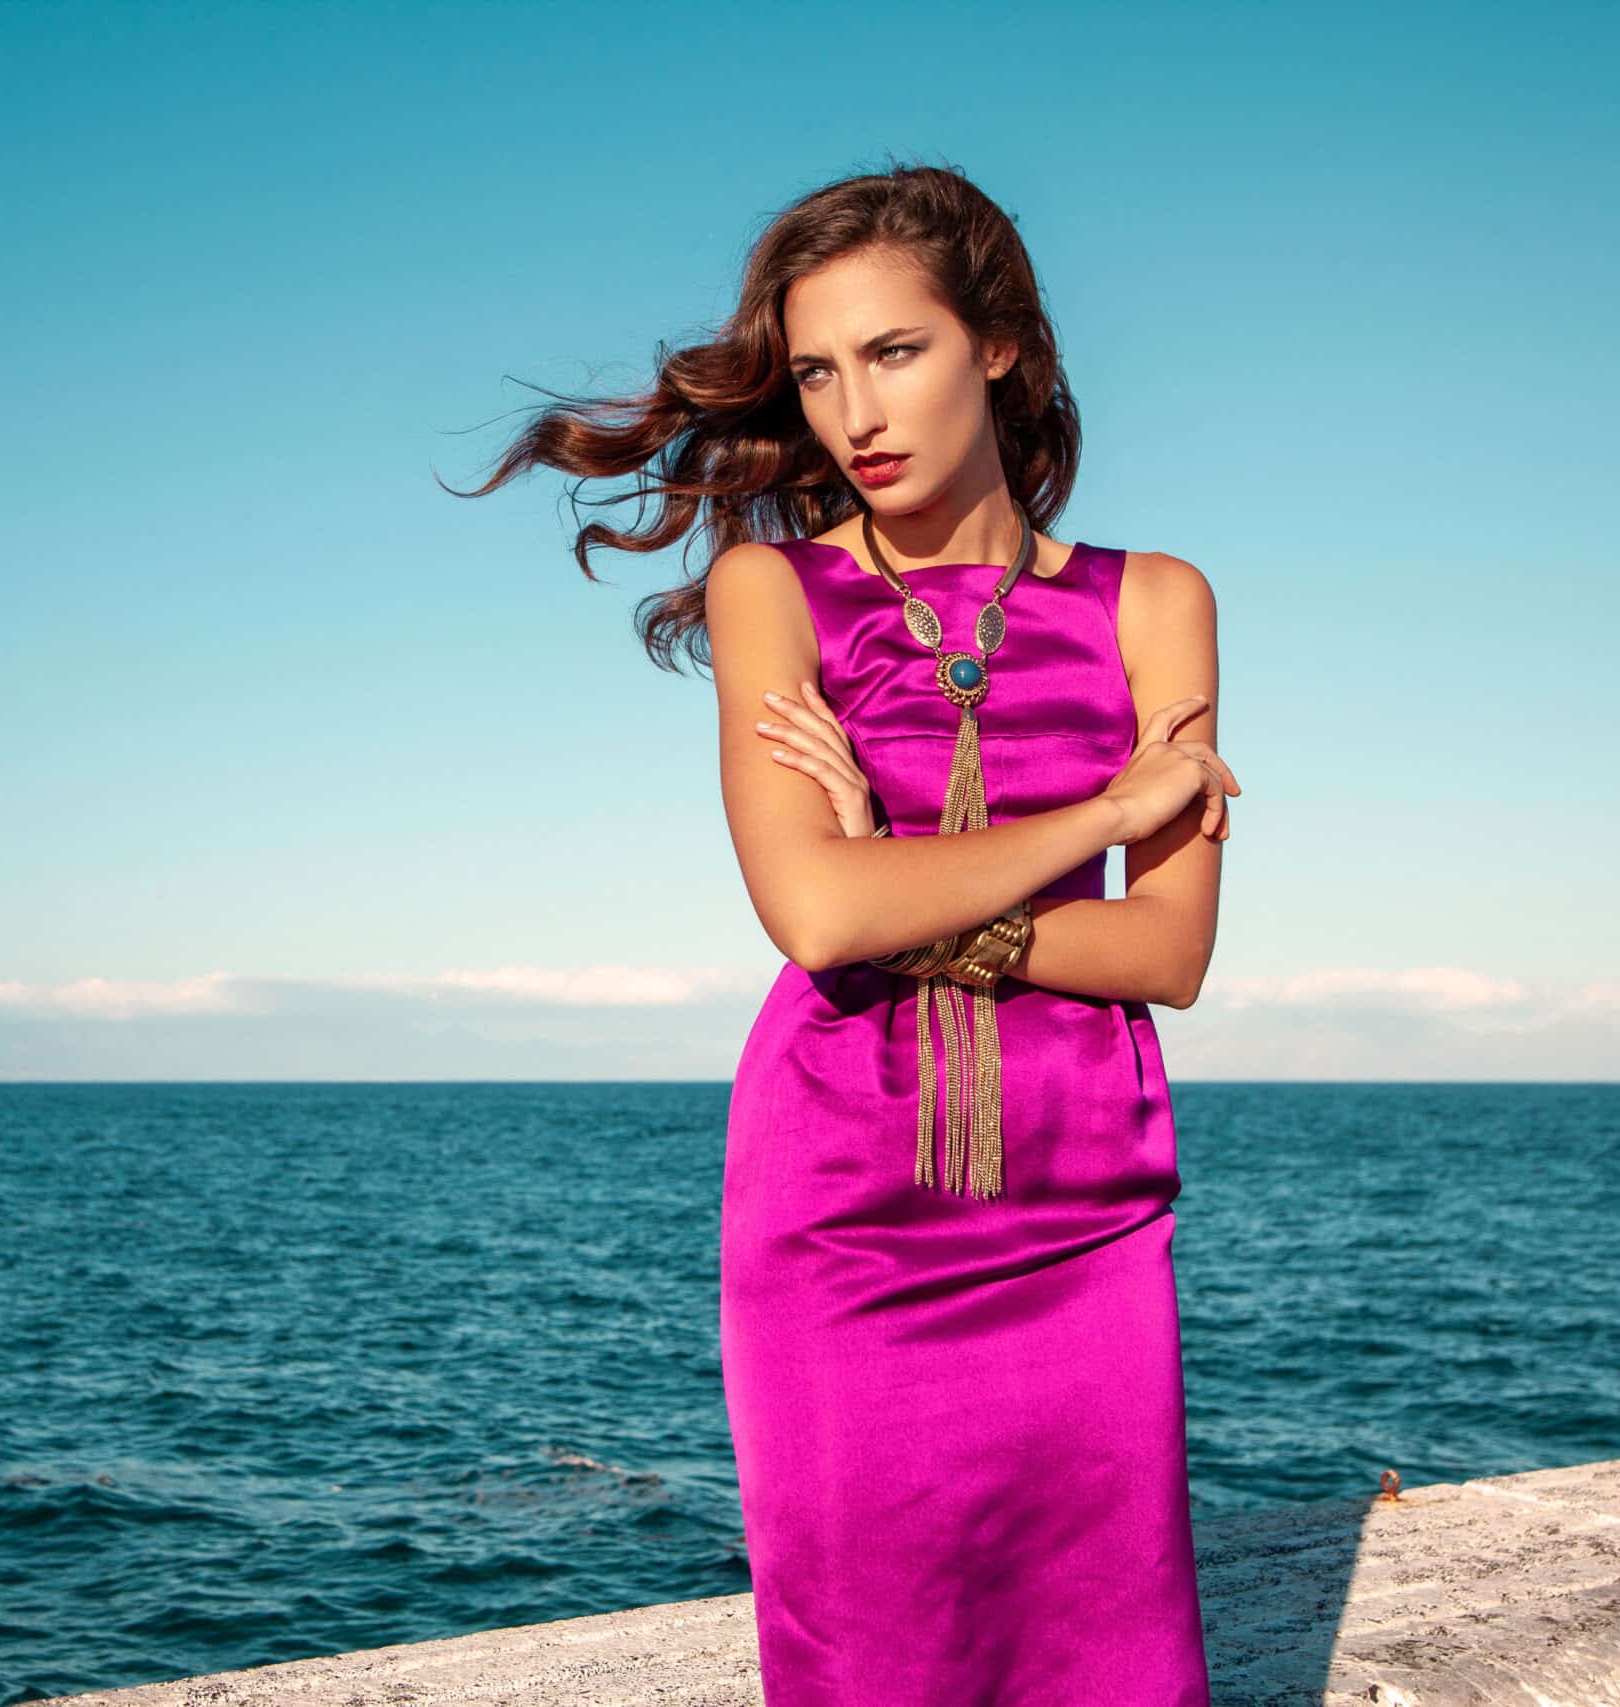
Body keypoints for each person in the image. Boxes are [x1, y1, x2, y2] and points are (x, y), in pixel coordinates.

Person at [452, 159, 1238, 1704]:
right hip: (846, 1207)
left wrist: (913, 881)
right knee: (868, 1653)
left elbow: (1170, 959)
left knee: (1112, 1650)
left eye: (895, 352)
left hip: (1085, 1198)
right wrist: (1094, 823)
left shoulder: (1158, 601)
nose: (854, 413)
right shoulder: (773, 592)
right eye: (818, 370)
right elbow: (818, 917)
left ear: (999, 346)